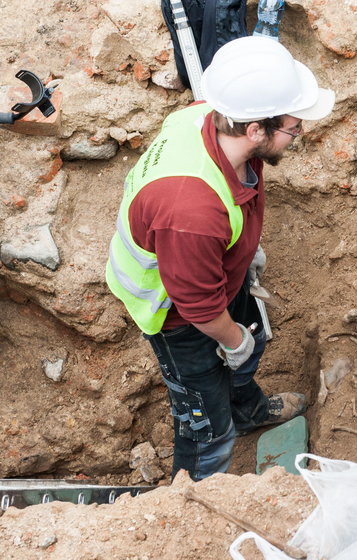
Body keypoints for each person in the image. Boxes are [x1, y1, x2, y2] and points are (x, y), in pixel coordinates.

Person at [105, 36, 335, 480]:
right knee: (207, 430)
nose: (298, 134)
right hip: (175, 315)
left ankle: (247, 410)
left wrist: (245, 254)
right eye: (292, 127)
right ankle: (197, 499)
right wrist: (231, 340)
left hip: (211, 268)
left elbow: (227, 208)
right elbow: (199, 307)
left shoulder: (203, 118)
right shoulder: (190, 211)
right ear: (255, 130)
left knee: (253, 343)